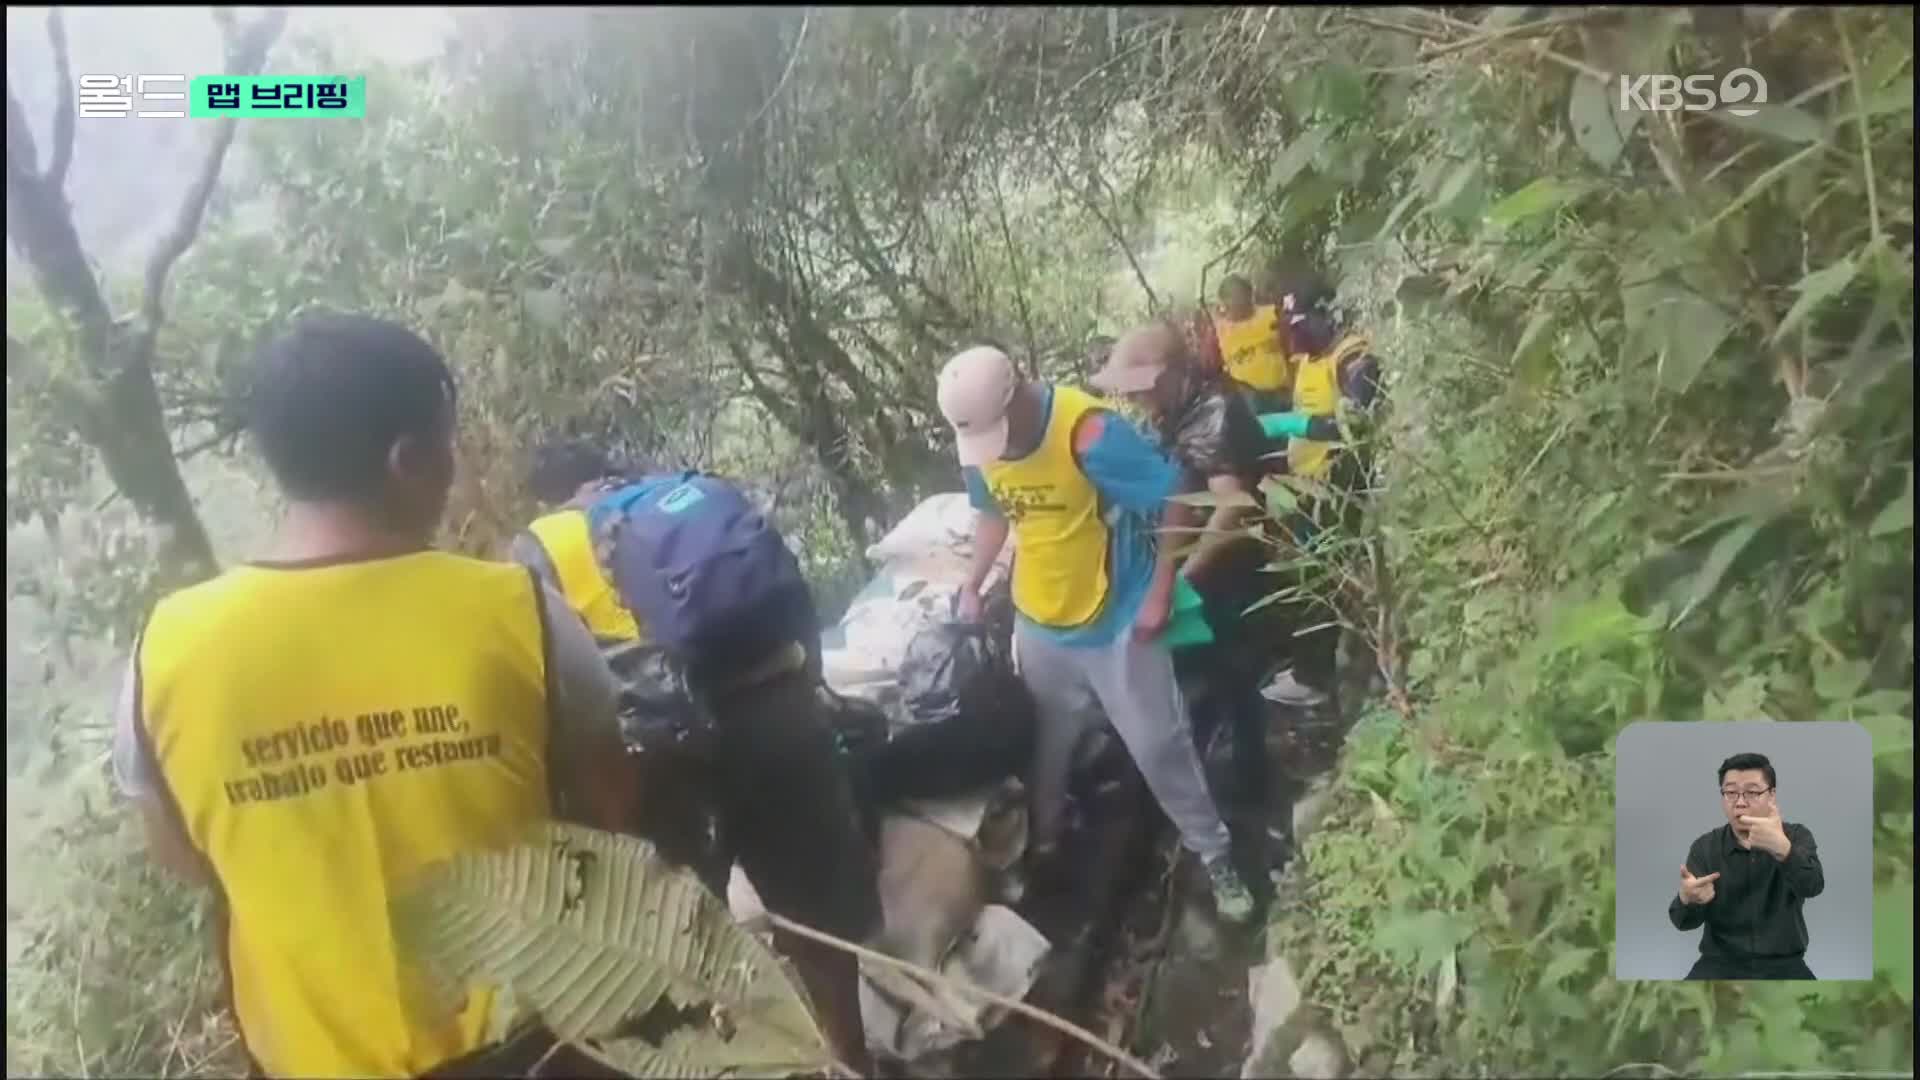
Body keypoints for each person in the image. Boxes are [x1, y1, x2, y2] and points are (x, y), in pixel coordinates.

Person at [110, 314, 637, 1079]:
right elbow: (612, 812)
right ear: (410, 460)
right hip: (538, 1050)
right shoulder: (518, 611)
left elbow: (187, 858)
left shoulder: (164, 653)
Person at [508, 442, 880, 1073]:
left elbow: (551, 679)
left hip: (660, 759)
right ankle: (849, 1063)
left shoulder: (537, 547)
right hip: (776, 716)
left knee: (675, 944)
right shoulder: (692, 498)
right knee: (817, 924)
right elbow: (788, 597)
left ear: (550, 491)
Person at [940, 344, 1256, 924]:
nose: (991, 450)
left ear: (1021, 393)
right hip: (1041, 619)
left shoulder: (1089, 435)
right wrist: (972, 584)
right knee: (1049, 745)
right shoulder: (982, 444)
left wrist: (1161, 591)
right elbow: (993, 513)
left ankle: (1217, 856)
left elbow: (1174, 502)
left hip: (1116, 618)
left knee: (1160, 744)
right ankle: (1046, 849)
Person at [1089, 322, 1291, 880]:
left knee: (1234, 680)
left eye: (1140, 387)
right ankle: (1222, 776)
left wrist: (1182, 581)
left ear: (1174, 376)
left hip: (1230, 575)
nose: (1133, 399)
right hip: (1209, 572)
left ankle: (1251, 797)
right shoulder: (1182, 413)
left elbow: (1234, 510)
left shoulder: (1217, 414)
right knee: (1215, 680)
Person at [1257, 275, 1384, 708]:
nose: (1296, 333)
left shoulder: (1353, 357)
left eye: (1302, 322)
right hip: (1307, 491)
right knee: (1315, 582)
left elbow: (1355, 422)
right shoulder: (1310, 359)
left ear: (1328, 315)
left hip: (1339, 490)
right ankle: (1322, 668)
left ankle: (1321, 678)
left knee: (1327, 584)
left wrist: (1291, 425)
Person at [1669, 753, 1825, 980]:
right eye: (1731, 792)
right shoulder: (1705, 847)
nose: (1740, 802)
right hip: (1719, 964)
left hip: (1784, 964)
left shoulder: (1796, 835)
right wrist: (1688, 900)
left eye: (1752, 792)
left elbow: (1813, 886)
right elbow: (1683, 923)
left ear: (1771, 795)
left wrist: (1784, 850)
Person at [1211, 273, 1291, 415]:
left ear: (1250, 295)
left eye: (1243, 298)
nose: (1241, 304)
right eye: (1235, 300)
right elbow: (1213, 370)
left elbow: (1292, 349)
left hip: (1282, 394)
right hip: (1249, 405)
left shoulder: (1273, 314)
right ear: (1224, 303)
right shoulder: (1217, 332)